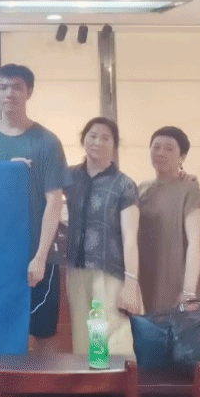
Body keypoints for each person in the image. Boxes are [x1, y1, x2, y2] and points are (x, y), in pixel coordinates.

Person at [0, 64, 67, 352]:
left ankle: (44, 385)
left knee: (42, 334)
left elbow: (54, 201)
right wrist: (3, 174)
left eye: (17, 87)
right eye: (3, 87)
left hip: (36, 254)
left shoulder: (47, 141)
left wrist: (40, 257)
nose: (10, 93)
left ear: (29, 92)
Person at [65, 117, 143, 356]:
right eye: (92, 136)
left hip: (109, 272)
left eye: (105, 138)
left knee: (109, 341)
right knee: (82, 340)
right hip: (76, 271)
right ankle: (87, 380)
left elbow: (130, 237)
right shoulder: (69, 176)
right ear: (83, 140)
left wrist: (131, 283)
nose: (97, 142)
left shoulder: (124, 184)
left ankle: (110, 381)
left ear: (114, 146)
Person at [137, 126, 200, 314]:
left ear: (182, 157)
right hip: (145, 282)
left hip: (177, 286)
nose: (161, 153)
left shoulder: (190, 191)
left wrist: (189, 291)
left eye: (169, 149)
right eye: (156, 147)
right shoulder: (141, 189)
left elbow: (196, 243)